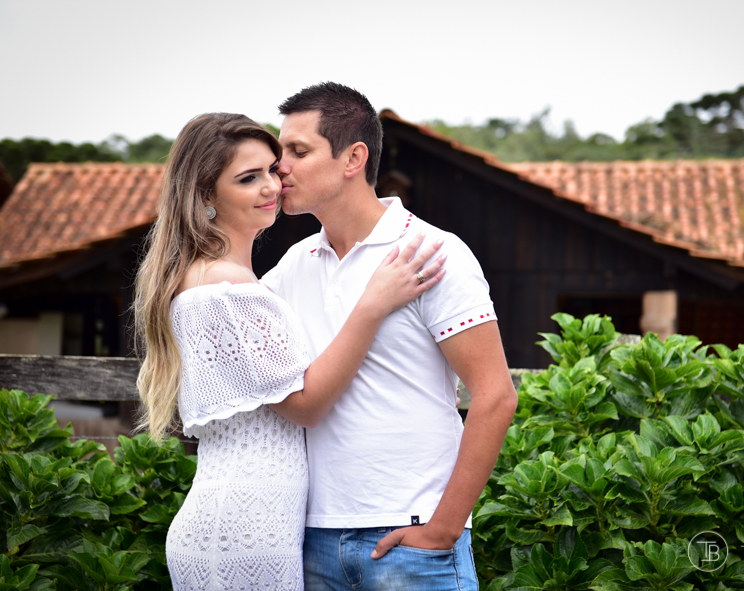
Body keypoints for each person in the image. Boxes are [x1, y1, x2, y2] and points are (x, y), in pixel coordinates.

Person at [132, 112, 446, 591]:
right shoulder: (225, 286)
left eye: (272, 171)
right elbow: (306, 405)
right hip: (246, 525)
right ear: (205, 195)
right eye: (247, 178)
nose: (271, 187)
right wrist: (373, 304)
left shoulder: (235, 280)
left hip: (250, 518)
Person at [261, 82, 518, 590]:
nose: (279, 168)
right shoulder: (292, 266)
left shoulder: (432, 251)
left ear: (353, 157)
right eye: (278, 153)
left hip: (414, 537)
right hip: (312, 537)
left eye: (298, 151)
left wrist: (444, 528)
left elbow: (495, 396)